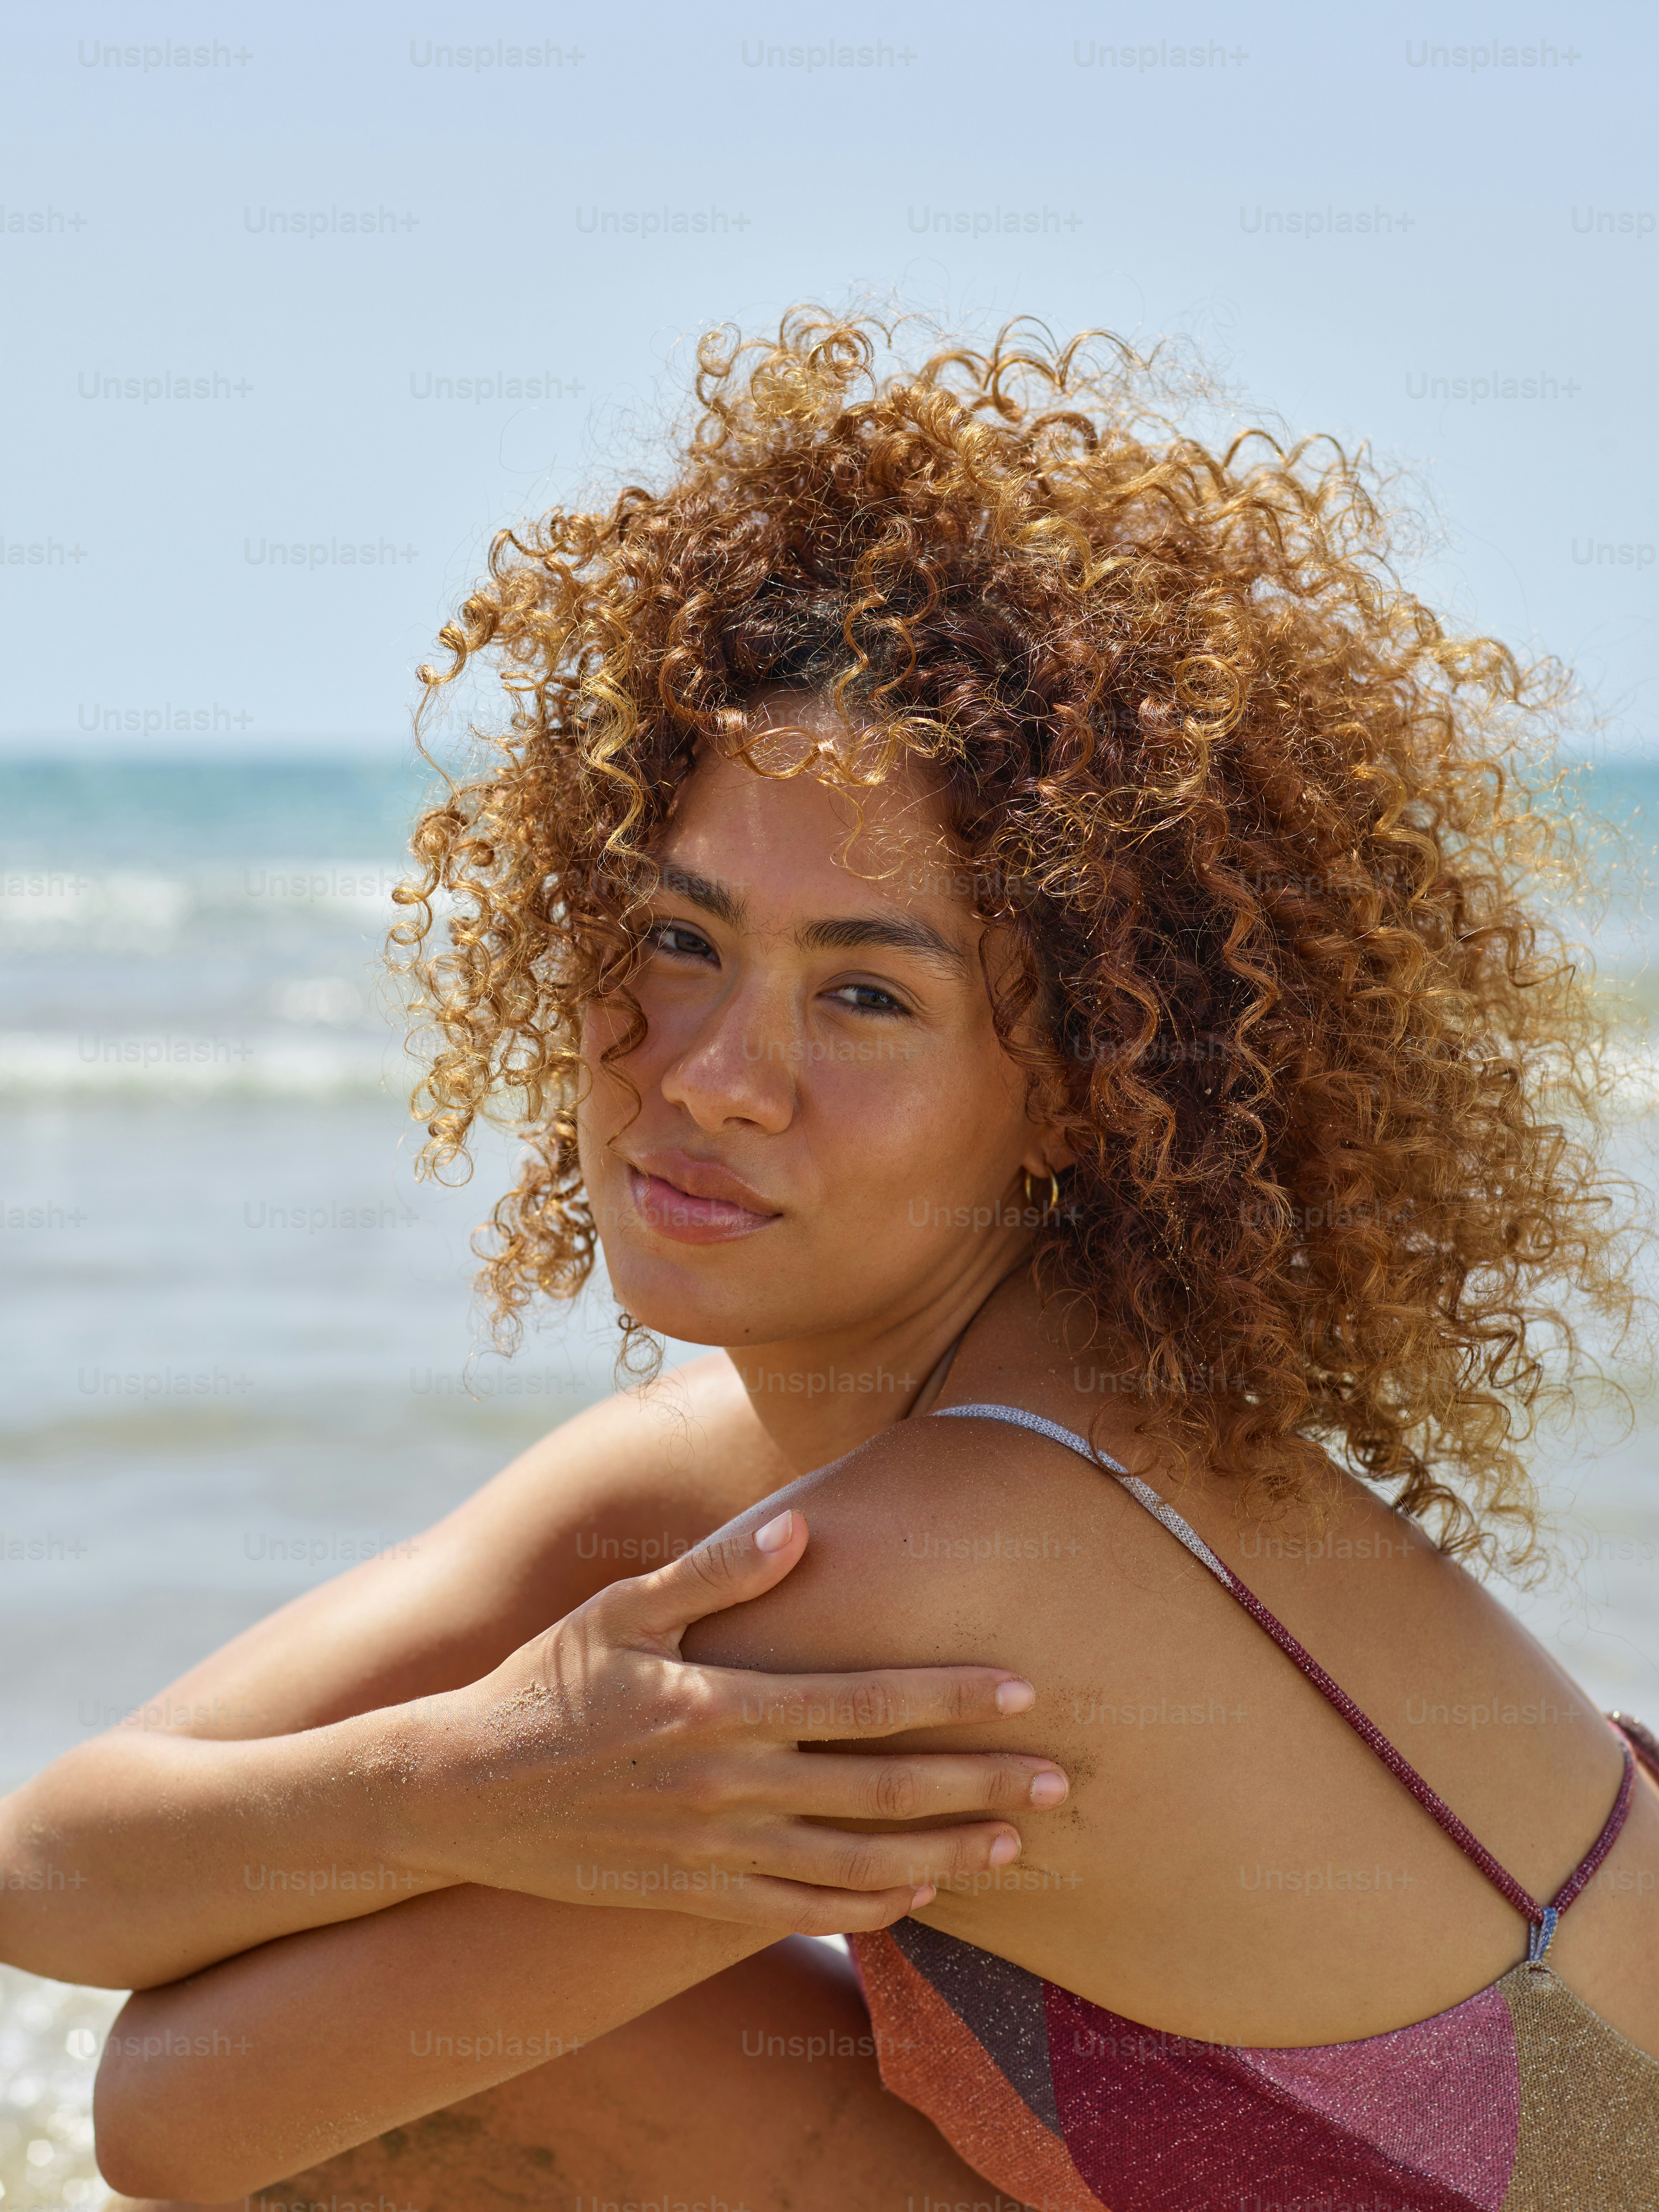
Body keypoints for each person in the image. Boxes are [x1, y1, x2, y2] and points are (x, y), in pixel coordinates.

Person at [15, 311, 1659, 2209]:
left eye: (867, 992)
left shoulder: (945, 1569)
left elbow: (177, 2112)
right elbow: (51, 1867)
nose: (715, 1077)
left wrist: (493, 1799)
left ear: (1080, 1089)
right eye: (679, 934)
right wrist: (487, 1776)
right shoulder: (813, 1460)